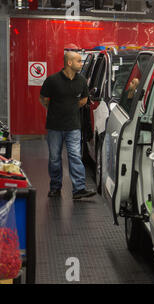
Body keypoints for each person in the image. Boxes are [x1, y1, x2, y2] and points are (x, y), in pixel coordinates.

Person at [39, 51, 96, 200]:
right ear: (69, 63)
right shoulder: (52, 80)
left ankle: (79, 189)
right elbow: (44, 98)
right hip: (54, 127)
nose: (81, 63)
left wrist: (70, 107)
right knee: (54, 158)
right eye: (78, 61)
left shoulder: (82, 81)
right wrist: (56, 109)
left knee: (75, 156)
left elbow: (84, 100)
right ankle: (55, 188)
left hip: (73, 126)